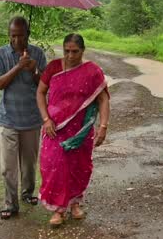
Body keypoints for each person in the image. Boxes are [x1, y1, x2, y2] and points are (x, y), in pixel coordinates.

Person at [37, 33, 110, 228]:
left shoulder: (92, 71)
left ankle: (75, 203)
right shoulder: (53, 67)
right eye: (67, 51)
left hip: (81, 131)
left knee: (79, 167)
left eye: (75, 51)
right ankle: (58, 209)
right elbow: (40, 92)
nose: (70, 56)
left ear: (83, 51)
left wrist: (103, 126)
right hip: (55, 128)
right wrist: (46, 119)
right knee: (54, 166)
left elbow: (103, 99)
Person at [0, 16, 47, 220]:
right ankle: (10, 203)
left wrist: (33, 70)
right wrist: (18, 66)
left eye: (20, 36)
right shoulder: (0, 54)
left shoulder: (38, 54)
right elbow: (0, 83)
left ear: (27, 35)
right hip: (8, 118)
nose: (16, 40)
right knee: (8, 167)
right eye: (13, 36)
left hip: (31, 118)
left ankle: (28, 193)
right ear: (9, 35)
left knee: (29, 163)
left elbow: (44, 85)